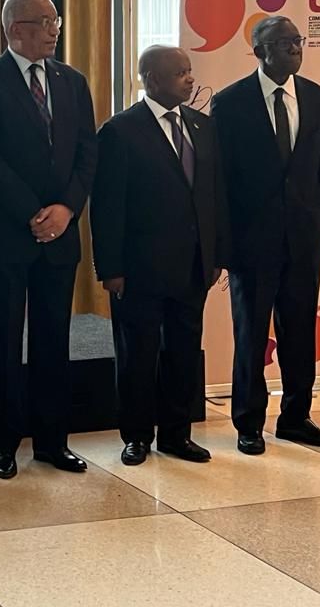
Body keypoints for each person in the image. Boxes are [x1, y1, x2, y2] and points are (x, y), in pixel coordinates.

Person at [0, 0, 98, 480]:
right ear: (14, 29)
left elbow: (87, 151)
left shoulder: (72, 81)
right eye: (44, 21)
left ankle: (52, 442)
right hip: (10, 233)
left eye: (55, 19)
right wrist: (33, 213)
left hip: (61, 233)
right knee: (1, 341)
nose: (54, 29)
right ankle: (2, 444)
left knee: (52, 340)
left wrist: (66, 209)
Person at [212, 16, 320, 455]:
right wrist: (225, 242)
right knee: (251, 334)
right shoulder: (230, 103)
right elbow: (220, 181)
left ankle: (296, 418)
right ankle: (248, 422)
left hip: (304, 240)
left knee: (300, 331)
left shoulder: (317, 97)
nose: (295, 48)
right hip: (251, 243)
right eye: (283, 42)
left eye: (297, 40)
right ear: (259, 51)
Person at [91, 46, 229, 466]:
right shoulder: (120, 131)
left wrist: (216, 254)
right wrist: (111, 268)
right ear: (151, 79)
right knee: (138, 355)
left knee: (183, 352)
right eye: (180, 73)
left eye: (189, 71)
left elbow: (215, 195)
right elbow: (107, 206)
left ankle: (176, 434)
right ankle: (136, 436)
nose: (190, 79)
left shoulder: (203, 126)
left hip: (193, 265)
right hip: (139, 269)